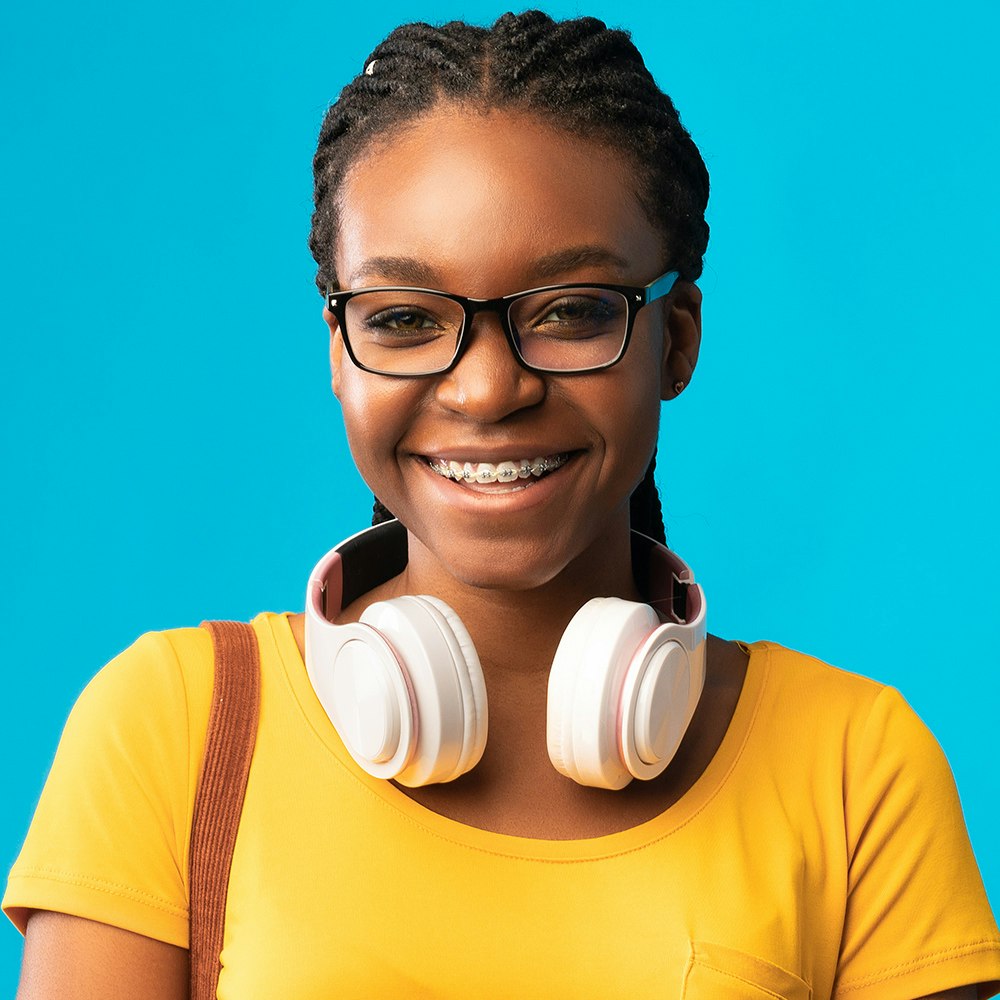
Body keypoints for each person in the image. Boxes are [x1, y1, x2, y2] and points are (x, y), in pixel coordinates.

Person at [5, 10, 999, 999]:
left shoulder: (854, 765)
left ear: (677, 340)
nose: (485, 391)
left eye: (570, 310)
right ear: (339, 353)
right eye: (401, 318)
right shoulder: (171, 727)